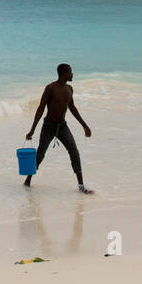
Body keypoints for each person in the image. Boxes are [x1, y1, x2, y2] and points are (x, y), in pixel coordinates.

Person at [24, 63, 94, 194]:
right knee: (40, 154)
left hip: (62, 127)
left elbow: (72, 108)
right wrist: (32, 129)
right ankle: (28, 181)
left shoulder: (69, 89)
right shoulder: (50, 88)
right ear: (64, 73)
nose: (72, 74)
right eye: (70, 72)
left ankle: (81, 186)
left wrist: (84, 125)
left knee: (74, 151)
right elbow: (40, 108)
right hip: (48, 126)